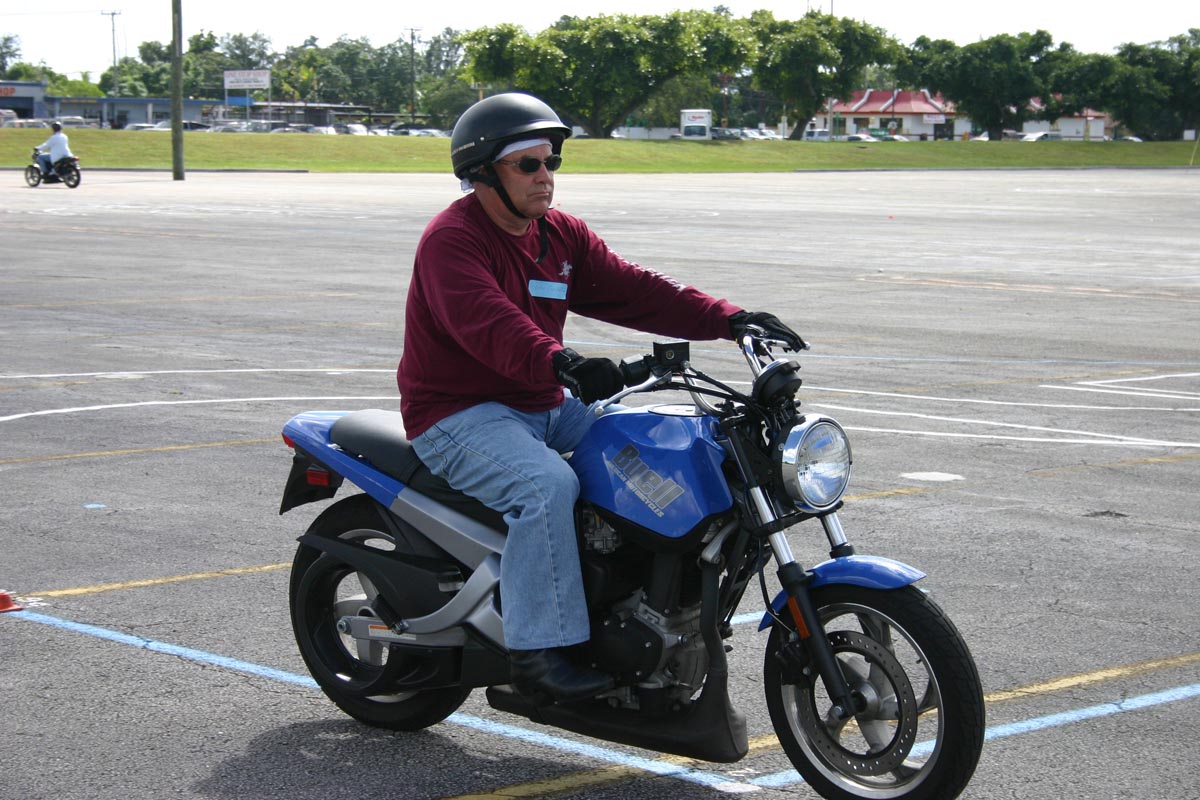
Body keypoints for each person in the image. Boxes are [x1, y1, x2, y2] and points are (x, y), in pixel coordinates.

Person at [396, 92, 803, 704]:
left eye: (551, 161)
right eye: (527, 164)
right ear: (482, 173)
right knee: (545, 487)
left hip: (543, 401)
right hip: (459, 412)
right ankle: (536, 655)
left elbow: (636, 288)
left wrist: (730, 318)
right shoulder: (451, 241)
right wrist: (562, 362)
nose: (545, 176)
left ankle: (633, 603)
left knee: (650, 455)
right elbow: (488, 323)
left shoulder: (558, 235)